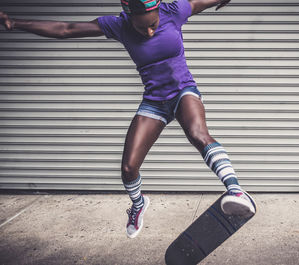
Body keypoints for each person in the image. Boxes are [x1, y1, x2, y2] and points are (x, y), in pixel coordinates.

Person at [0, 0, 256, 239]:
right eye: (142, 28)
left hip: (183, 92)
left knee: (198, 134)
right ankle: (138, 204)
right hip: (154, 101)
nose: (150, 33)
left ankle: (235, 190)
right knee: (128, 168)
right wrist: (14, 23)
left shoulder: (174, 11)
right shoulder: (118, 25)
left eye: (154, 25)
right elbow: (66, 28)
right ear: (129, 18)